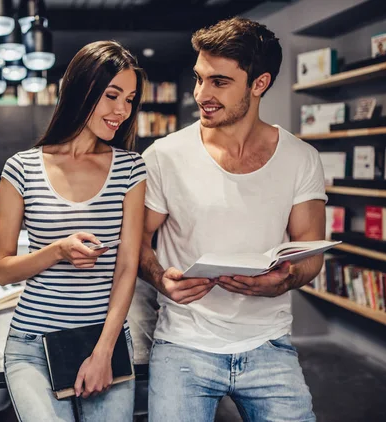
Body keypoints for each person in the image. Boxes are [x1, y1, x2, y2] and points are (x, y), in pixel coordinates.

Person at [139, 17, 326, 422]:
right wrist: (159, 278)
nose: (200, 94)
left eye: (219, 82)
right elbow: (136, 240)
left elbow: (311, 252)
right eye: (199, 78)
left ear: (259, 83)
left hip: (268, 343)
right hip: (183, 344)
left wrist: (286, 279)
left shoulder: (301, 158)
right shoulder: (163, 156)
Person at [0, 40, 147, 421]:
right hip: (32, 346)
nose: (121, 111)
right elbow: (2, 270)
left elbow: (127, 268)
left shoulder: (130, 168)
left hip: (104, 342)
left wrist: (103, 352)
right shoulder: (22, 168)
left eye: (129, 100)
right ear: (82, 89)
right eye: (112, 95)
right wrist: (58, 251)